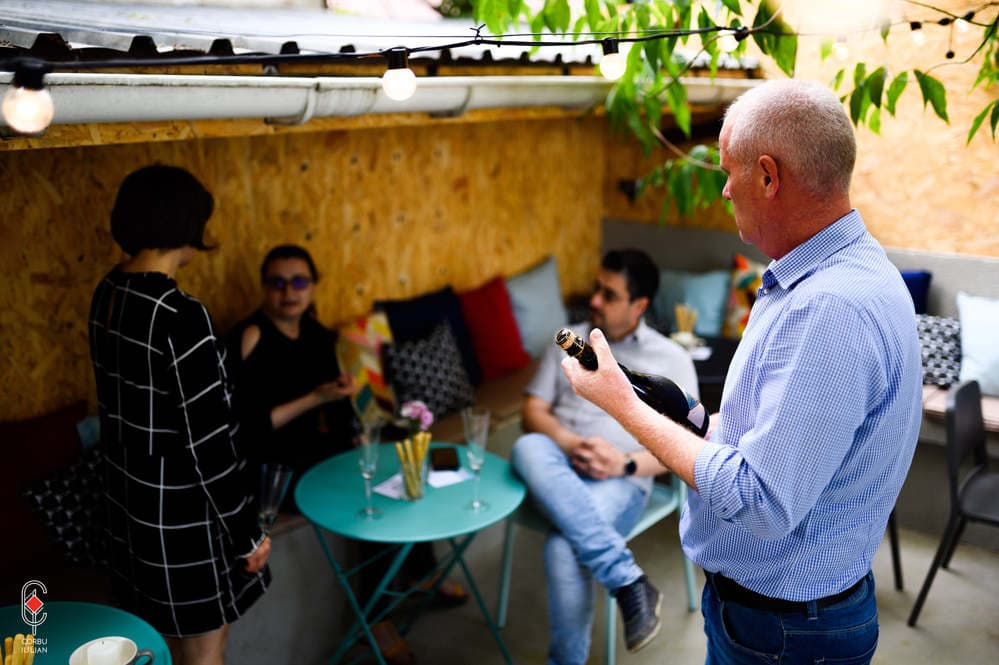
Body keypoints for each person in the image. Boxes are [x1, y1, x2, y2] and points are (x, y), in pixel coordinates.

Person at [562, 79, 923, 665]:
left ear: (768, 177)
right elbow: (784, 436)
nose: (726, 189)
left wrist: (620, 405)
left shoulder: (828, 309)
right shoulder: (841, 270)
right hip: (773, 620)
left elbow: (762, 500)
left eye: (730, 172)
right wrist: (699, 422)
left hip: (782, 635)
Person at [88, 165, 270, 665]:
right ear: (186, 226)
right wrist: (247, 534)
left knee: (158, 648)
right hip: (181, 520)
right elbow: (208, 446)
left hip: (128, 506)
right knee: (205, 653)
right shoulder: (181, 317)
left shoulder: (107, 293)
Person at [510, 249, 699, 665]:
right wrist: (568, 442)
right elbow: (532, 412)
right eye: (596, 289)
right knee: (527, 447)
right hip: (557, 465)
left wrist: (623, 463)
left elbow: (685, 445)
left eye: (609, 295)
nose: (594, 300)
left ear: (639, 306)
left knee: (564, 548)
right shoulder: (567, 340)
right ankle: (628, 580)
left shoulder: (671, 360)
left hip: (621, 479)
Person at [227, 244, 359, 497]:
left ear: (313, 286)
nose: (289, 292)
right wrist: (314, 399)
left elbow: (338, 408)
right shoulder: (251, 336)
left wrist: (343, 393)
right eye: (278, 283)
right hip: (271, 469)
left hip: (317, 456)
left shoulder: (316, 332)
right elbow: (248, 428)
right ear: (264, 287)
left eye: (299, 282)